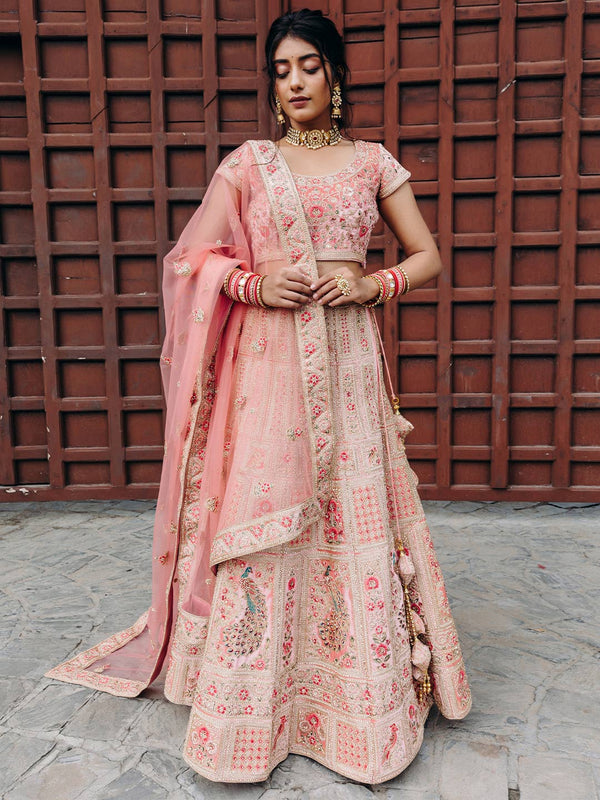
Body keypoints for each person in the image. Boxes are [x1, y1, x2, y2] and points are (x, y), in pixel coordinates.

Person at [47, 8, 471, 784]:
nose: (296, 82)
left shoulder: (374, 162)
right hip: (268, 372)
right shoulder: (248, 164)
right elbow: (188, 262)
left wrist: (374, 283)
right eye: (282, 70)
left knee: (352, 512)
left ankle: (357, 701)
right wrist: (251, 281)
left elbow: (428, 254)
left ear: (335, 75)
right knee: (266, 524)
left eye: (309, 65)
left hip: (347, 372)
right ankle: (253, 708)